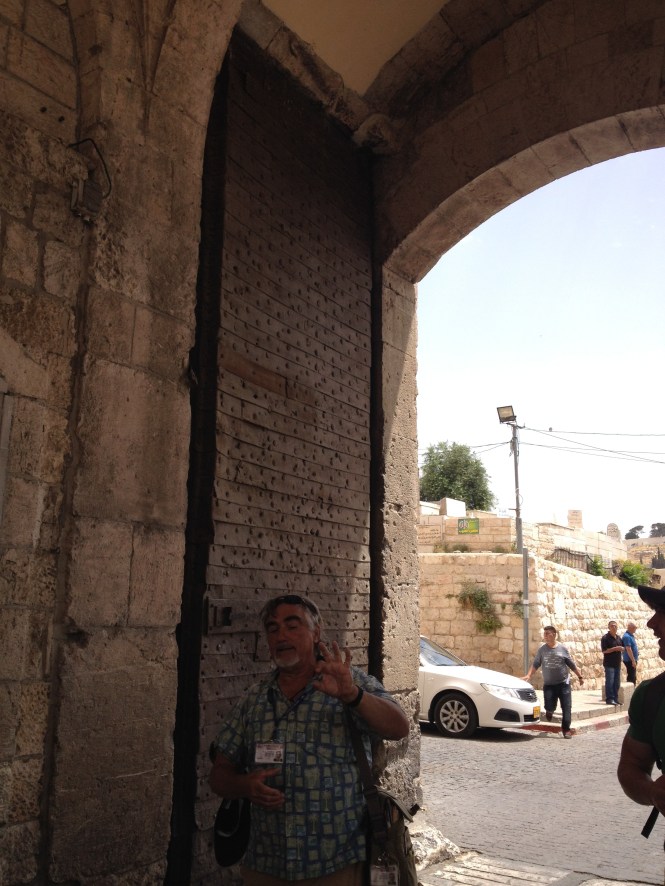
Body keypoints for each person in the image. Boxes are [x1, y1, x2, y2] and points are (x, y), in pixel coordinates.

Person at [209, 593, 410, 885]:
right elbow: (219, 775)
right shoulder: (254, 699)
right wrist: (243, 786)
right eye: (273, 628)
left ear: (316, 632)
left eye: (293, 626)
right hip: (266, 864)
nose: (281, 635)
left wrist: (352, 696)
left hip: (336, 864)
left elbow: (399, 727)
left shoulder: (348, 682)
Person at [618, 587, 665, 845]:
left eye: (662, 613)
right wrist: (652, 792)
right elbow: (631, 766)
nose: (651, 623)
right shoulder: (651, 696)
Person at [523, 625, 584, 739]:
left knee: (567, 707)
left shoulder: (562, 648)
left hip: (563, 684)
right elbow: (536, 663)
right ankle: (550, 711)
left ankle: (566, 730)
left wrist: (580, 676)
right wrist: (529, 675)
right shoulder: (542, 649)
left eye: (547, 634)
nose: (545, 636)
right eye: (544, 634)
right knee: (549, 706)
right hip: (549, 685)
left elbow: (570, 663)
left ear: (554, 635)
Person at [601, 620, 624, 706]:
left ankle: (615, 698)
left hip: (617, 663)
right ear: (609, 627)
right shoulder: (605, 638)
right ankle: (609, 699)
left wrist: (622, 649)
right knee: (610, 681)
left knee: (617, 682)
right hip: (609, 664)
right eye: (612, 626)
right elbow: (604, 651)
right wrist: (615, 649)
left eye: (615, 626)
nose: (614, 627)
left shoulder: (618, 638)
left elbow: (623, 647)